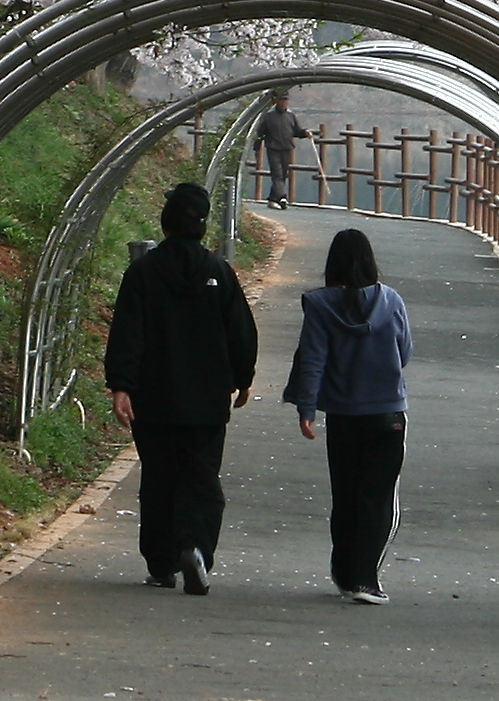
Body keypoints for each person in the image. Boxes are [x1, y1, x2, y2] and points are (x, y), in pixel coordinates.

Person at [102, 179, 258, 592]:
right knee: (201, 476)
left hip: (153, 398)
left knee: (159, 478)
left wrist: (121, 386)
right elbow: (240, 330)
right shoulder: (219, 272)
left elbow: (127, 333)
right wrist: (242, 377)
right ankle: (196, 548)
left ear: (166, 221)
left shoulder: (143, 272)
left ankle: (161, 563)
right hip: (207, 398)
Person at [283, 225, 413, 602]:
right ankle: (364, 579)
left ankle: (344, 572)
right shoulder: (391, 301)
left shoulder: (320, 305)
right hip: (387, 412)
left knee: (346, 494)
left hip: (343, 414)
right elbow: (404, 352)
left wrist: (307, 407)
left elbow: (313, 358)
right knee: (377, 498)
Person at [254, 95, 306, 207]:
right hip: (273, 148)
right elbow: (260, 133)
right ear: (277, 101)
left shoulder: (291, 116)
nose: (283, 102)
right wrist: (257, 148)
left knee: (282, 174)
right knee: (277, 173)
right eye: (281, 100)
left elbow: (297, 131)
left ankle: (273, 198)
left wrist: (305, 133)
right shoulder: (269, 116)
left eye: (285, 100)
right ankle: (282, 196)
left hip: (286, 148)